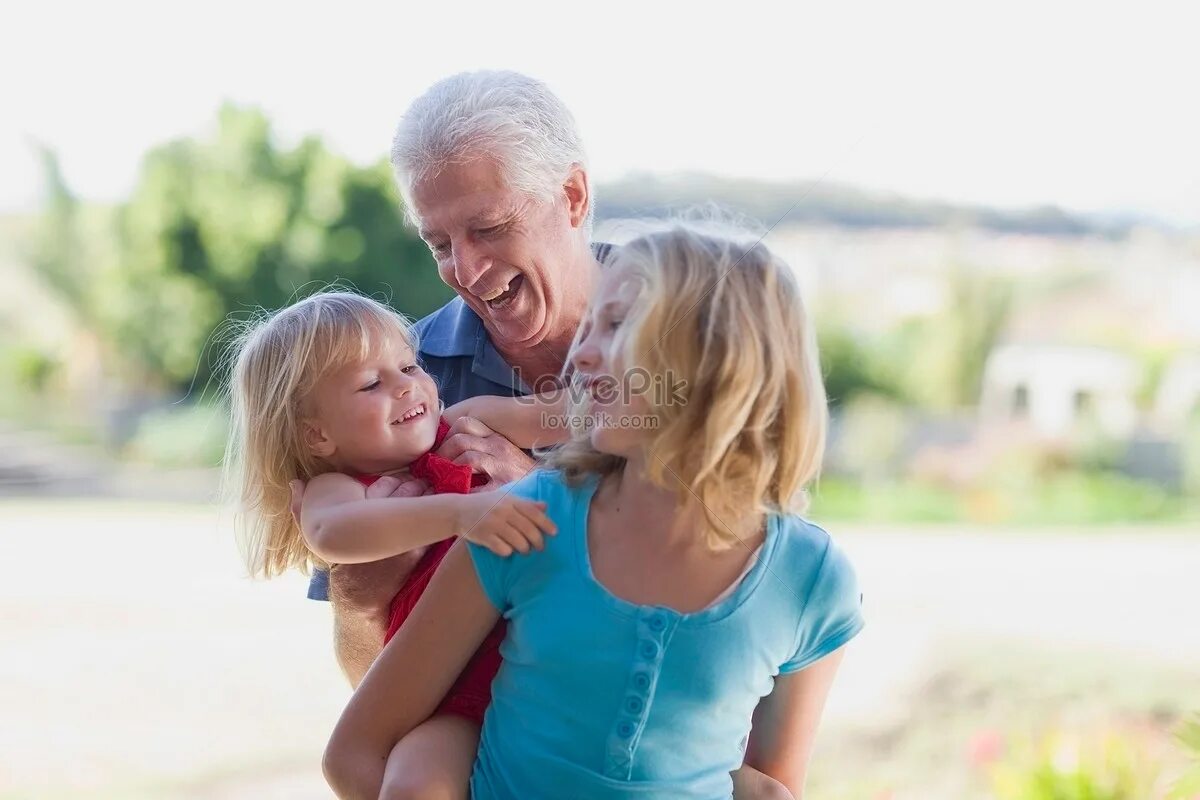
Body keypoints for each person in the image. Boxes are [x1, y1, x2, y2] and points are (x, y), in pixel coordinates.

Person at [322, 224, 865, 800]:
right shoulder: (525, 521)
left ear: (717, 361)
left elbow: (769, 787)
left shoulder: (813, 580)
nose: (580, 353)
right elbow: (357, 752)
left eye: (616, 326)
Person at [307, 70, 612, 688]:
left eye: (490, 228)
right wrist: (362, 599)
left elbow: (763, 578)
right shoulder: (396, 385)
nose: (465, 270)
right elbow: (371, 687)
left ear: (573, 196)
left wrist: (539, 500)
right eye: (438, 242)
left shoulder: (696, 334)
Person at [226, 290, 570, 797]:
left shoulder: (467, 420)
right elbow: (332, 535)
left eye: (409, 366)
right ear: (317, 434)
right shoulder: (340, 492)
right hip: (450, 692)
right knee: (412, 783)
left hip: (547, 658)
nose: (406, 387)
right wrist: (457, 512)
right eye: (371, 383)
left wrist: (671, 396)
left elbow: (565, 414)